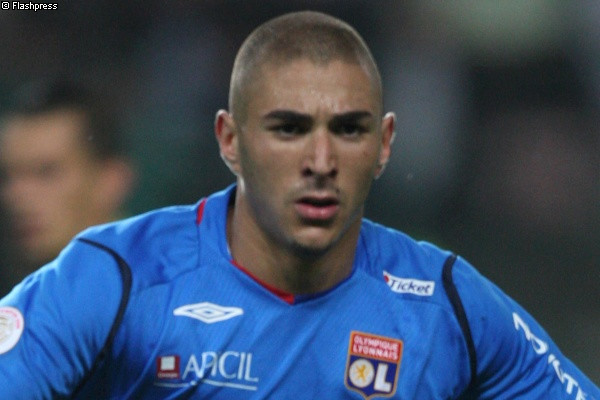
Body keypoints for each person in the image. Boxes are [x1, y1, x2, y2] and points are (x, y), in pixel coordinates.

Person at [0, 11, 598, 399]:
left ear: (385, 144)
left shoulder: (443, 304)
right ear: (229, 140)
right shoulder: (119, 278)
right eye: (288, 129)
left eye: (349, 129)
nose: (320, 160)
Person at [0, 79, 135, 295]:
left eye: (46, 172)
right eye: (6, 176)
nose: (16, 195)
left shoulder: (172, 297)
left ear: (111, 180)